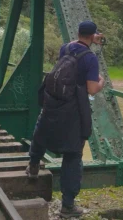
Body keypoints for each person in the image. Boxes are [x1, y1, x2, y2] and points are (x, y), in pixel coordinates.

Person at [27, 20, 106, 218]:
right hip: (74, 110)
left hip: (54, 102)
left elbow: (75, 44)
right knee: (73, 153)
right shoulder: (90, 59)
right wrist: (101, 82)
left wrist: (88, 38)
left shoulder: (66, 48)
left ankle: (33, 165)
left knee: (42, 129)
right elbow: (91, 90)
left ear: (79, 33)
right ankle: (68, 206)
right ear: (93, 36)